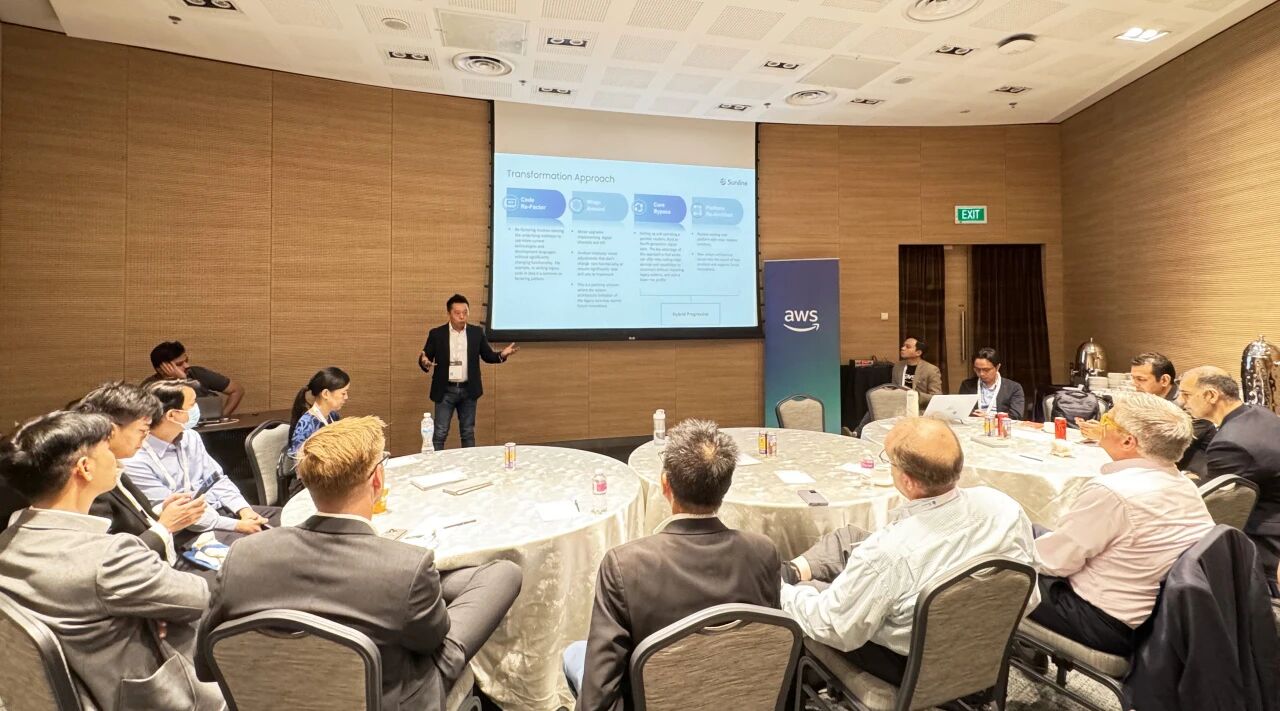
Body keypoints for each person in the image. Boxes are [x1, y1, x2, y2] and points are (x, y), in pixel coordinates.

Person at [197, 416, 522, 710]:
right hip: (391, 699)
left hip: (273, 700)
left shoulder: (242, 555)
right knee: (504, 574)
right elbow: (431, 641)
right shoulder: (404, 566)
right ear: (377, 480)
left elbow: (205, 665)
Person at [779, 417, 1037, 685]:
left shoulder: (888, 553)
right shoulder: (1006, 509)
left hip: (914, 668)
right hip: (985, 650)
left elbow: (834, 627)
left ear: (908, 481)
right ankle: (792, 569)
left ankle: (785, 580)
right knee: (849, 539)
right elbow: (1030, 593)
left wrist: (785, 592)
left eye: (889, 460)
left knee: (805, 591)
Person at [0, 411, 221, 710]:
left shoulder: (9, 541)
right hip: (144, 700)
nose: (116, 458)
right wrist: (152, 609)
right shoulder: (109, 558)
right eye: (106, 448)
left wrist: (144, 605)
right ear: (85, 468)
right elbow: (200, 599)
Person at [564, 419, 781, 709]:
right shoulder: (764, 553)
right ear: (726, 487)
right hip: (742, 698)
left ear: (665, 485)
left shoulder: (625, 566)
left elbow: (597, 699)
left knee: (574, 654)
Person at [1032, 392, 1214, 655]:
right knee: (1033, 533)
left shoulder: (1113, 491)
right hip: (1158, 615)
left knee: (1001, 567)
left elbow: (1054, 562)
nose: (1102, 425)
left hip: (1107, 623)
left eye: (1107, 420)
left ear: (1129, 440)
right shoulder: (1185, 485)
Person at [122, 379, 278, 543]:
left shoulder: (191, 437)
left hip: (222, 511)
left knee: (286, 522)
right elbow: (178, 514)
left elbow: (217, 479)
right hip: (188, 529)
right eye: (192, 404)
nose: (197, 409)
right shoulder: (135, 459)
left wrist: (244, 510)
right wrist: (237, 525)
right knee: (263, 545)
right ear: (172, 415)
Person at [75, 382, 207, 566]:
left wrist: (163, 511)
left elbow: (135, 518)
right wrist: (166, 525)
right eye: (143, 430)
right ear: (111, 431)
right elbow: (111, 562)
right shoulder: (90, 483)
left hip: (165, 559)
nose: (146, 437)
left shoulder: (116, 467)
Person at [1179, 366, 1280, 594]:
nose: (1183, 402)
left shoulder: (1230, 442)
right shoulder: (1258, 413)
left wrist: (1186, 480)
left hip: (1266, 536)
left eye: (1186, 394)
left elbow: (1212, 503)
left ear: (1211, 395)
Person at [1076, 352, 1214, 474]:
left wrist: (1106, 435)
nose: (1134, 384)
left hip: (1186, 474)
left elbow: (1159, 445)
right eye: (1133, 378)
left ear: (1164, 380)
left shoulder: (1187, 407)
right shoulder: (1149, 401)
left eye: (1141, 379)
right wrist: (1108, 428)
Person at [418, 294, 518, 449]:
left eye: (465, 312)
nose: (462, 316)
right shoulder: (437, 334)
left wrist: (502, 355)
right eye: (457, 313)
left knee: (468, 432)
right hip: (445, 390)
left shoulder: (476, 333)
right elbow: (426, 356)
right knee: (440, 432)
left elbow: (488, 356)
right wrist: (424, 362)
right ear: (449, 313)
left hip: (468, 390)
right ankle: (435, 461)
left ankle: (470, 463)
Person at [143, 340, 245, 416]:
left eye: (186, 361)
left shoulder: (196, 373)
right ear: (162, 369)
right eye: (179, 364)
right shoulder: (150, 387)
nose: (187, 366)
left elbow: (237, 390)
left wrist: (222, 416)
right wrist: (182, 381)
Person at [288, 367, 350, 456]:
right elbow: (297, 461)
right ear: (326, 394)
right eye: (343, 393)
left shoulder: (333, 415)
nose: (346, 397)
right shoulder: (307, 425)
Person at [958, 347, 1026, 419]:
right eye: (977, 369)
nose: (981, 374)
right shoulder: (967, 385)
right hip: (974, 424)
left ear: (997, 367)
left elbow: (1016, 415)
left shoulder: (1013, 388)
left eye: (986, 370)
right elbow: (961, 410)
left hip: (999, 424)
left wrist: (990, 416)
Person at [891, 337, 943, 407]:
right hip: (899, 407)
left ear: (918, 353)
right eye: (903, 346)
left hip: (920, 408)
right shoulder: (897, 366)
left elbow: (936, 396)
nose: (902, 348)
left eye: (908, 347)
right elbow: (893, 388)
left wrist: (914, 395)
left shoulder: (931, 369)